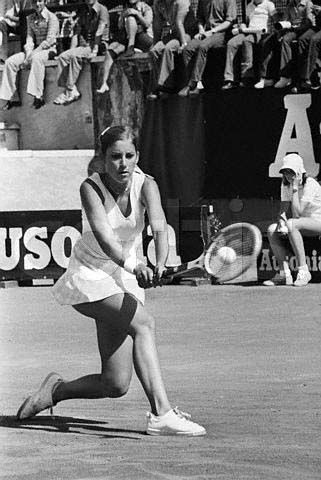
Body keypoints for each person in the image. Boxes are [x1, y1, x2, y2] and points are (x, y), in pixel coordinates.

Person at [16, 125, 206, 437]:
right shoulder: (89, 188)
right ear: (103, 160)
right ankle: (161, 413)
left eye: (129, 156)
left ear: (137, 157)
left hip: (123, 278)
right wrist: (136, 266)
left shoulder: (147, 185)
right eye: (115, 157)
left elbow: (159, 227)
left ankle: (54, 391)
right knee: (144, 324)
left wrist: (159, 262)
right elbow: (106, 240)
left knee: (115, 383)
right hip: (89, 276)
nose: (123, 163)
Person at [263, 153, 321, 287]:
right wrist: (281, 220)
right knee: (272, 230)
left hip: (318, 222)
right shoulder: (285, 184)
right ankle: (284, 274)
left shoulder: (310, 184)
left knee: (292, 224)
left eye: (291, 172)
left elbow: (297, 214)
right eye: (285, 172)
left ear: (300, 171)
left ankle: (303, 271)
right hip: (301, 224)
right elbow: (283, 210)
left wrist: (295, 188)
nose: (288, 175)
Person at [0, 0, 59, 110]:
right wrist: (28, 54)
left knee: (37, 59)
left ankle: (38, 96)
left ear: (44, 2)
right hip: (34, 50)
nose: (37, 4)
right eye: (34, 2)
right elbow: (30, 39)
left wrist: (32, 55)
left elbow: (49, 41)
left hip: (49, 50)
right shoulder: (30, 18)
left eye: (40, 1)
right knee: (10, 62)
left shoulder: (52, 17)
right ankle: (12, 98)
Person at [53, 0, 109, 105]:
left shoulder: (102, 9)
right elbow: (76, 33)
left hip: (99, 45)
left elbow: (100, 31)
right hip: (86, 46)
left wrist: (95, 50)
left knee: (75, 56)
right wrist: (71, 50)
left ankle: (68, 90)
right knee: (63, 57)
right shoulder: (85, 12)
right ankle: (71, 90)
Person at [178, 0, 237, 97]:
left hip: (222, 33)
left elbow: (229, 22)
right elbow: (200, 18)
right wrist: (201, 30)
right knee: (188, 49)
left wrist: (213, 31)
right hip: (206, 32)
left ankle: (193, 83)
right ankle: (194, 82)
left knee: (203, 46)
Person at [97, 0, 153, 94]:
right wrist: (123, 16)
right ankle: (104, 83)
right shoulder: (125, 9)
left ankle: (131, 48)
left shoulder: (146, 7)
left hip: (144, 37)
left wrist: (137, 14)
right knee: (111, 50)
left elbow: (147, 24)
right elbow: (120, 27)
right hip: (128, 37)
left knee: (131, 18)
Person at [221, 0, 277, 90]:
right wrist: (242, 26)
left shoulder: (269, 4)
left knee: (247, 41)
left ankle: (247, 76)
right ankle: (230, 79)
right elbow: (246, 22)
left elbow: (276, 20)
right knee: (231, 43)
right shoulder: (249, 6)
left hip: (261, 33)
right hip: (248, 31)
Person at [147, 0, 197, 100]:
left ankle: (167, 85)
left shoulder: (181, 2)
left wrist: (184, 44)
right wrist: (155, 43)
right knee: (154, 50)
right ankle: (158, 84)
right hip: (174, 33)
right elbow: (157, 25)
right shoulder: (158, 3)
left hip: (187, 33)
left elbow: (180, 23)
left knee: (168, 48)